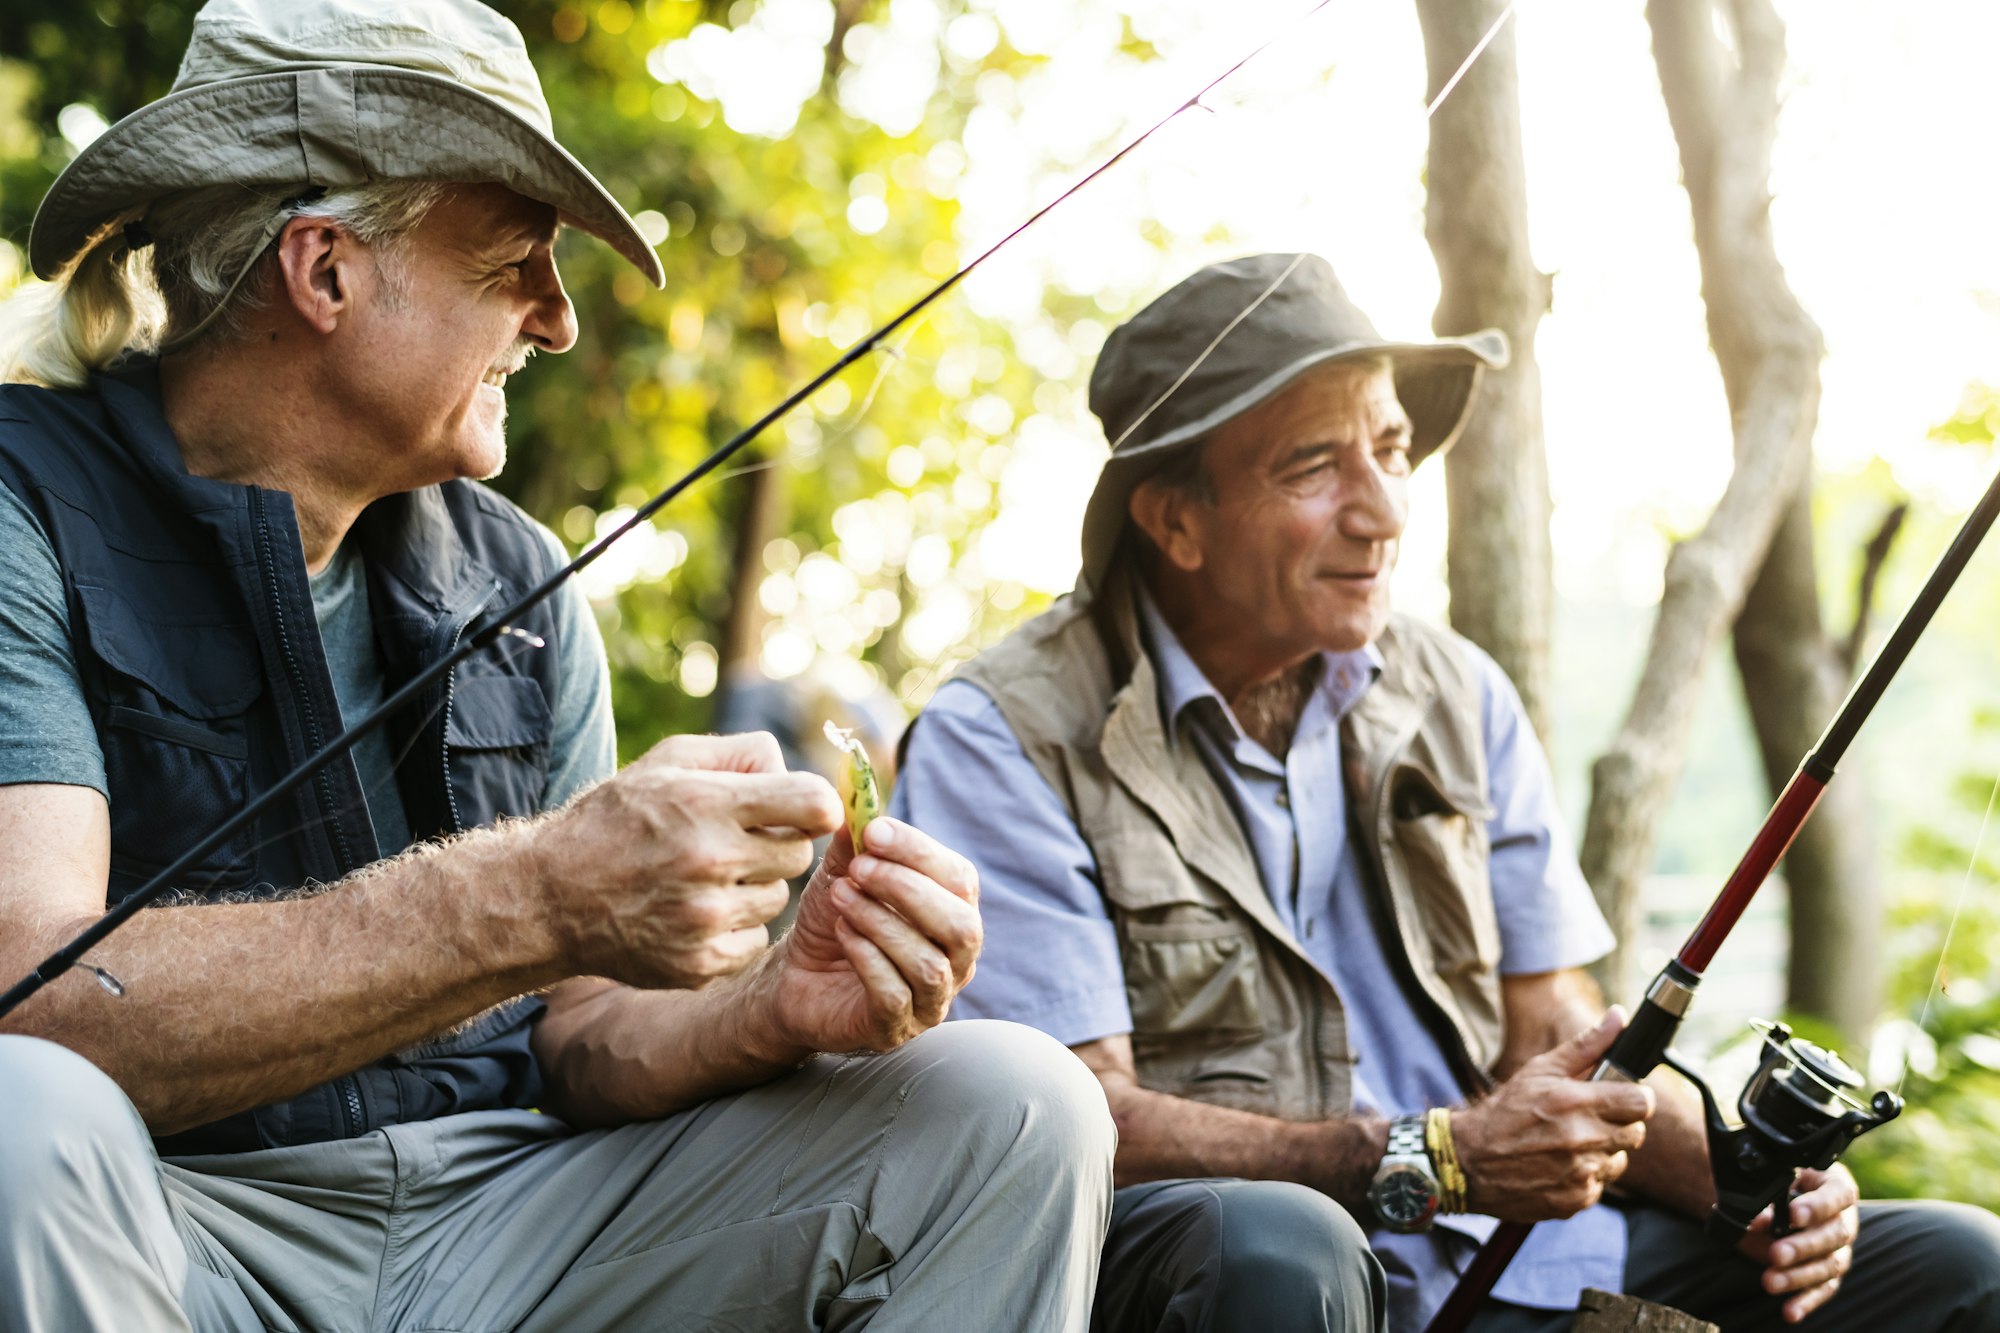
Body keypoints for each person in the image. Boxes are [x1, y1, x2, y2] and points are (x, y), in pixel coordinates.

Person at [0, 2, 1112, 1329]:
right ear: (326, 269)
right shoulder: (25, 503)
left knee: (1013, 1104)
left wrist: (769, 1004)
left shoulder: (518, 578)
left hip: (511, 1219)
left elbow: (583, 1035)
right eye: (515, 262)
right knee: (19, 1110)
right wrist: (534, 891)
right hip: (175, 1220)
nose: (560, 320)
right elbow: (32, 994)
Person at [891, 252, 2000, 1332]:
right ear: (1174, 520)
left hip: (1530, 1258)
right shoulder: (1003, 737)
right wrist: (1436, 1160)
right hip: (1254, 1275)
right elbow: (1078, 1127)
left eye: (1391, 448)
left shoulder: (1457, 690)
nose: (1380, 509)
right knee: (1284, 1246)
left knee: (1956, 1266)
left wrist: (1744, 1176)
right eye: (1312, 466)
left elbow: (1553, 1023)